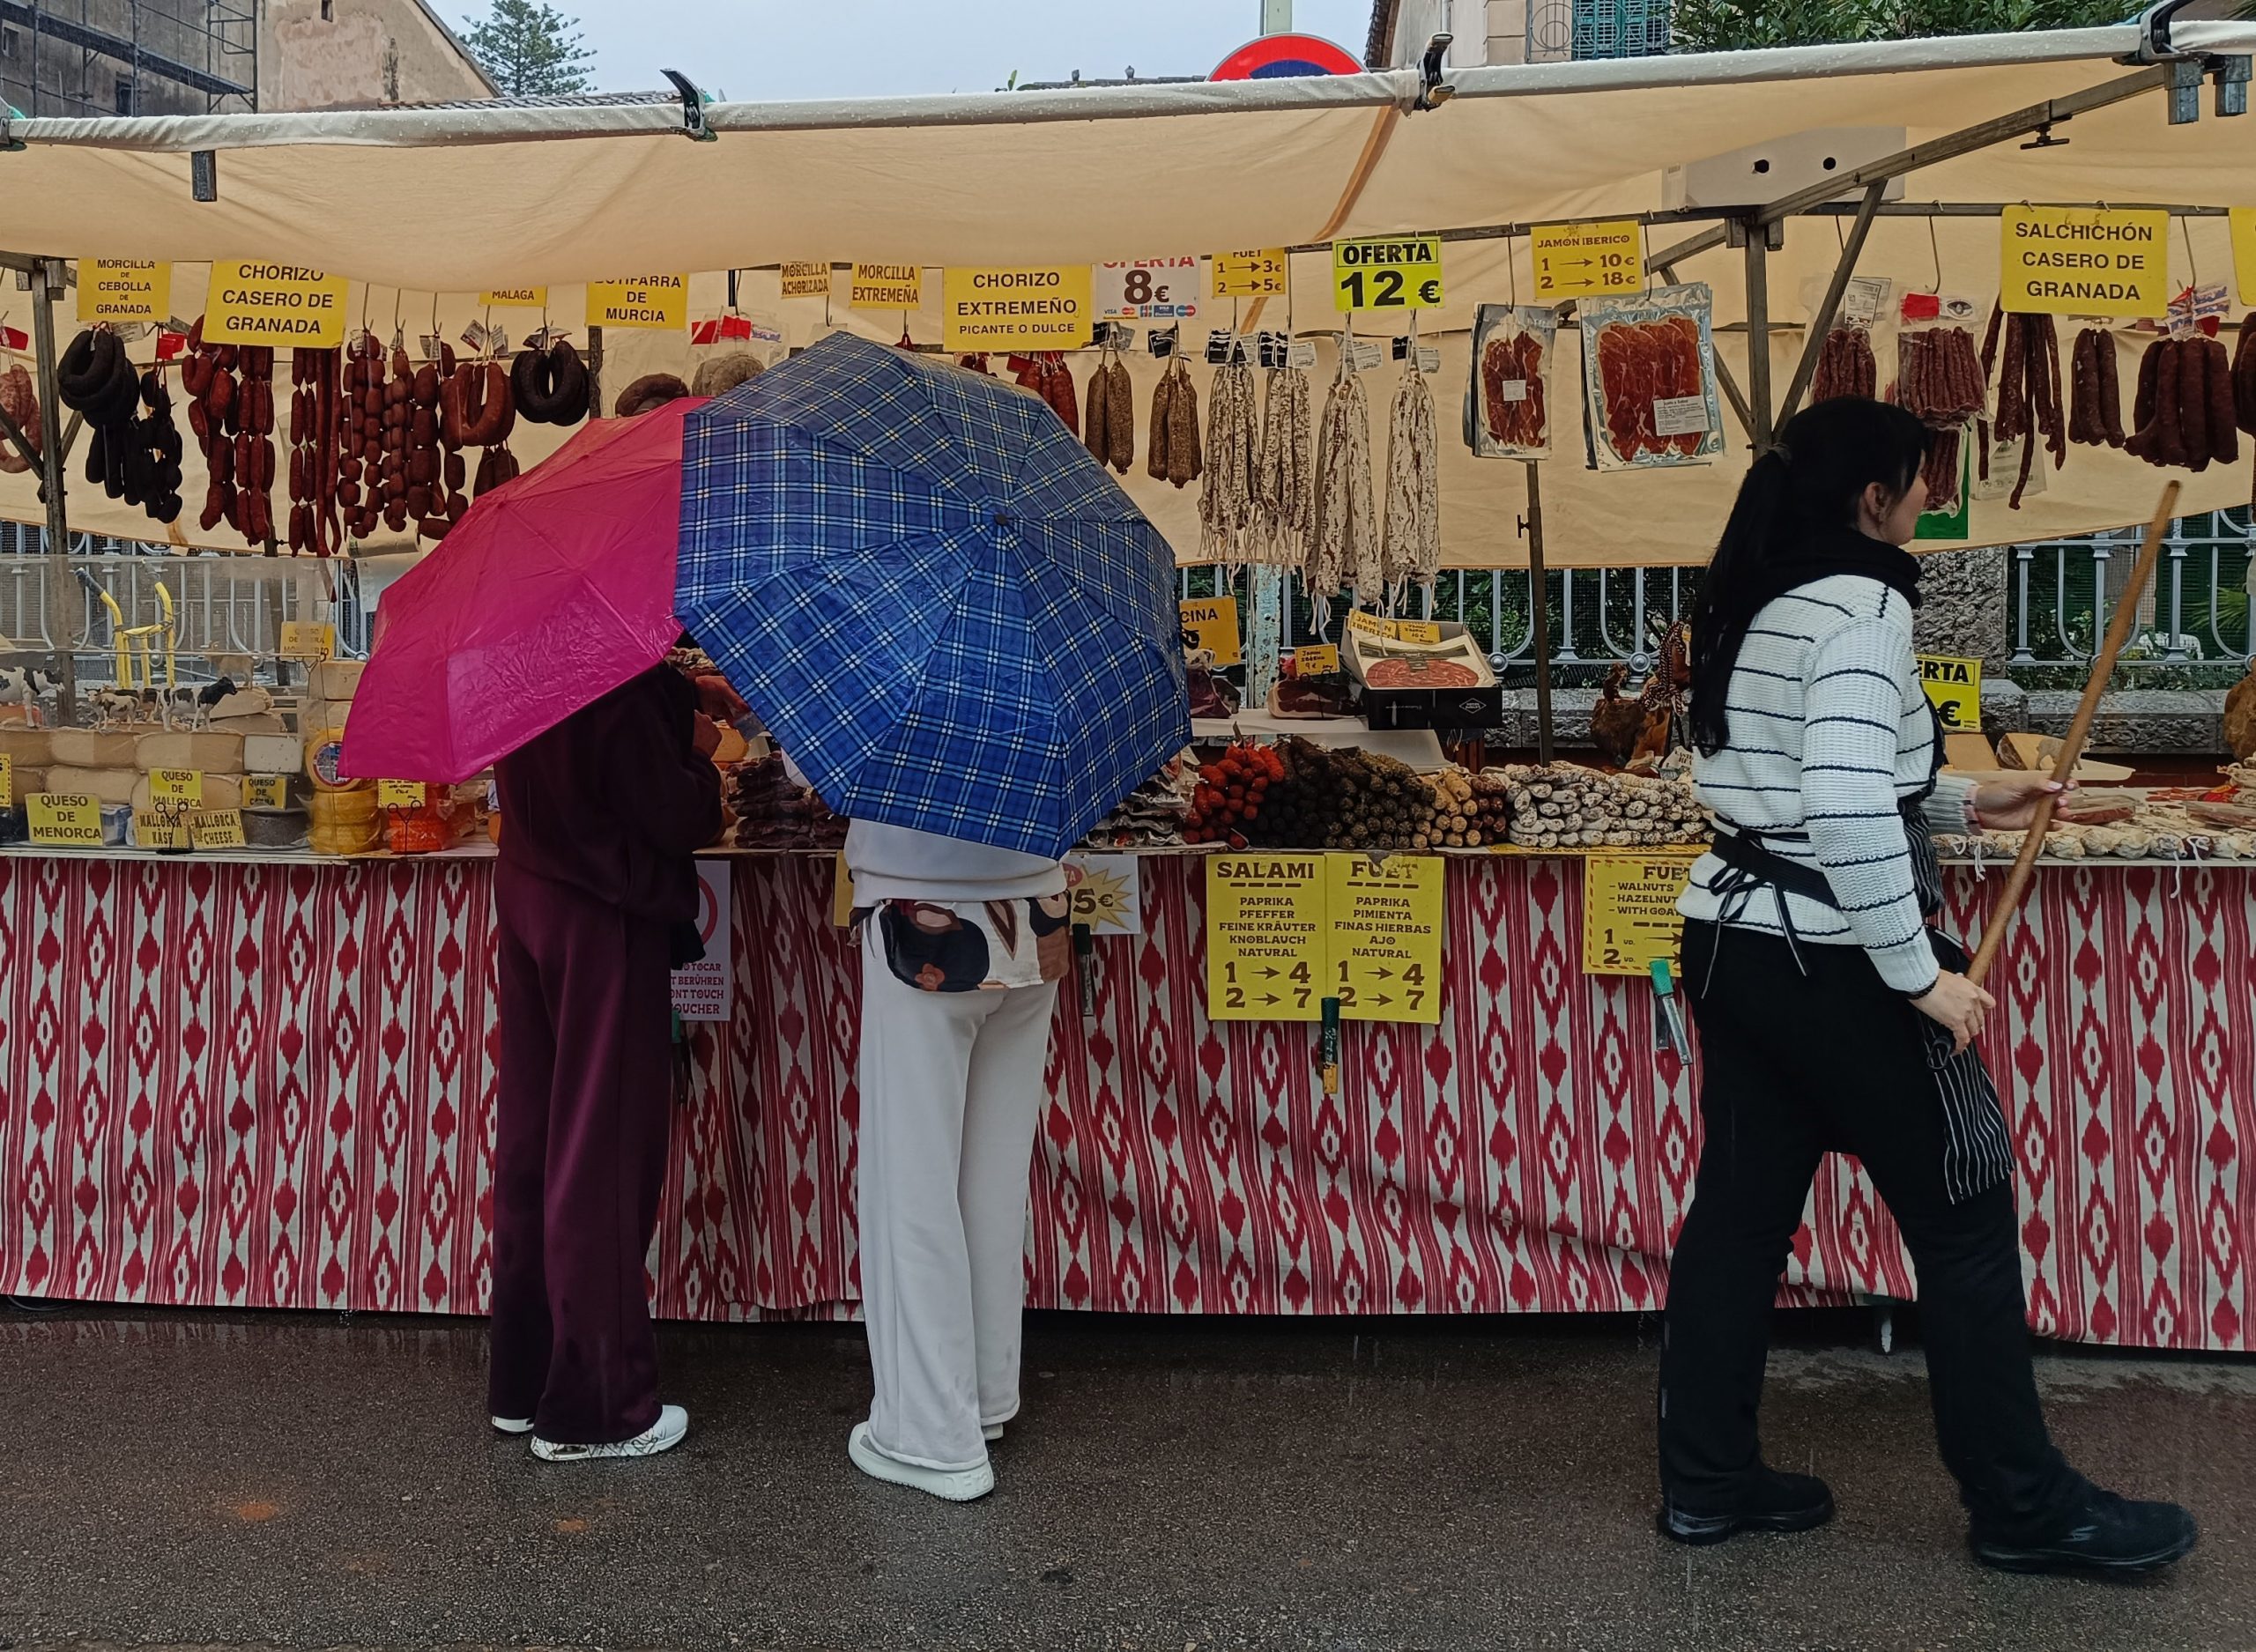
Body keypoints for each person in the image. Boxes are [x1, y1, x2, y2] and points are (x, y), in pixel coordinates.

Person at [1654, 396, 2197, 1575]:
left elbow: (1806, 784)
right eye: (1918, 479)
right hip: (1836, 961)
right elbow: (1842, 808)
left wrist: (1962, 799)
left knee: (1740, 1219)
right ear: (1872, 496)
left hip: (1736, 944)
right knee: (1965, 1213)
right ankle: (2023, 1504)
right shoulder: (1861, 606)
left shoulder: (1765, 589)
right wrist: (1919, 976)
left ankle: (1706, 1480)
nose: (1928, 499)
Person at [487, 656, 725, 1460]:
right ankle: (597, 1404)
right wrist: (701, 753)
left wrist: (681, 697)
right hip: (602, 909)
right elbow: (673, 810)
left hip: (530, 886)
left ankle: (524, 1378)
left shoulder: (528, 653)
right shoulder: (610, 674)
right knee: (605, 1152)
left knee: (535, 1140)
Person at [842, 818, 1070, 1501]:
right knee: (995, 1176)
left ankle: (931, 1434)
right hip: (1035, 903)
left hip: (920, 907)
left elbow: (810, 768)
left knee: (913, 1179)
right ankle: (985, 1393)